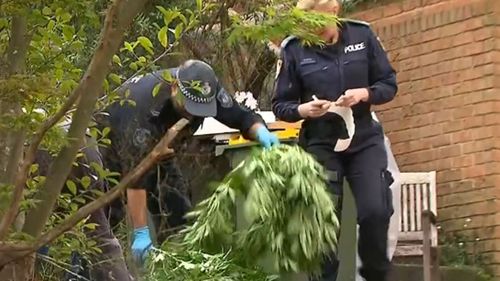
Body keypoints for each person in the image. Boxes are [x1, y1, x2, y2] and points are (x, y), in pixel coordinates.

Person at [96, 59, 280, 264]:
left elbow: (240, 116)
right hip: (109, 145)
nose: (192, 115)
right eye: (188, 108)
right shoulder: (143, 109)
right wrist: (141, 232)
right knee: (106, 221)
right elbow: (135, 177)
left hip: (161, 149)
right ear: (175, 88)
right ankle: (80, 272)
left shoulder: (205, 89)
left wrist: (261, 132)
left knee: (178, 211)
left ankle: (176, 267)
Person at [271, 0, 398, 280]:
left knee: (375, 210)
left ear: (334, 11)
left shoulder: (363, 35)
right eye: (303, 23)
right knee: (324, 222)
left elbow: (388, 84)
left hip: (363, 137)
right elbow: (281, 105)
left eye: (314, 22)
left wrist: (364, 93)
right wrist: (303, 110)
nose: (308, 29)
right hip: (320, 141)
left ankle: (376, 275)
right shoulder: (293, 49)